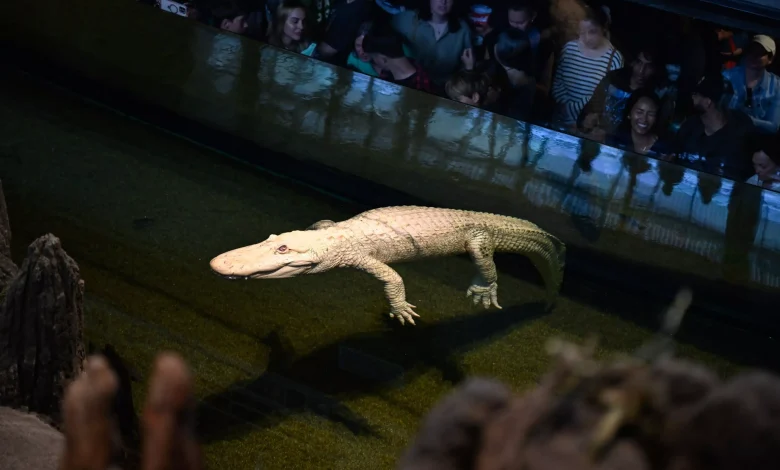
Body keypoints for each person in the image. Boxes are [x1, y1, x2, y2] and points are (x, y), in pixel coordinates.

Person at [550, 5, 623, 129]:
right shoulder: (569, 48)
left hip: (588, 126)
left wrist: (579, 114)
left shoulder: (614, 58)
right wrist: (567, 109)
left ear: (603, 29)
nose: (587, 38)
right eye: (582, 32)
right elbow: (557, 82)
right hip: (559, 121)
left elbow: (607, 98)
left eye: (593, 32)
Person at [673, 74, 755, 181]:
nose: (692, 97)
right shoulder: (690, 126)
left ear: (708, 102)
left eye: (696, 94)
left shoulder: (742, 130)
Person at [722, 34, 780, 134]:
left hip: (756, 142)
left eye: (760, 53)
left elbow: (773, 126)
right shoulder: (727, 77)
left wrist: (749, 121)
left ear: (770, 59)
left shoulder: (776, 86)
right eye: (752, 51)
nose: (754, 56)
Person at [363, 25, 433, 93]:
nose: (374, 62)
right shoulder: (386, 74)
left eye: (373, 58)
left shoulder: (420, 85)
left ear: (383, 59)